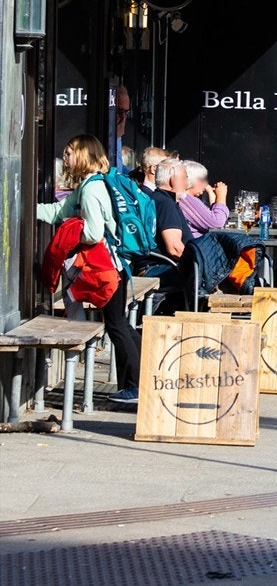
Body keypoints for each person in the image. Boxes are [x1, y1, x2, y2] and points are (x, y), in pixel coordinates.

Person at [37, 135, 139, 406]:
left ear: (83, 155)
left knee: (117, 325)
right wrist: (28, 208)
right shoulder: (90, 185)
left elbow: (93, 233)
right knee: (121, 324)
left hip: (106, 266)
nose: (66, 158)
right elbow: (60, 211)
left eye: (69, 153)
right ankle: (142, 381)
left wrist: (70, 235)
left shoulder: (92, 190)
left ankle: (135, 386)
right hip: (115, 265)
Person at [151, 159, 196, 265]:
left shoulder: (159, 198)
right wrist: (201, 265)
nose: (187, 184)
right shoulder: (165, 203)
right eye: (185, 178)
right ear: (172, 180)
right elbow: (175, 249)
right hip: (162, 268)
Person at [179, 160, 230, 236]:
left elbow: (210, 216)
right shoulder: (185, 199)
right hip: (195, 245)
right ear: (190, 180)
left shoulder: (187, 198)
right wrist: (221, 196)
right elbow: (217, 222)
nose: (205, 184)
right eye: (202, 180)